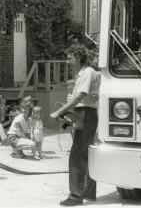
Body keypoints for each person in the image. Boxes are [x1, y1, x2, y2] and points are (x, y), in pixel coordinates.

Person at [50, 44, 100, 206]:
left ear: (79, 57)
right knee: (86, 155)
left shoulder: (87, 73)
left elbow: (79, 97)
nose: (68, 61)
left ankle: (75, 196)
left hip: (85, 114)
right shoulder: (82, 74)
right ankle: (89, 192)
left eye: (70, 57)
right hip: (84, 114)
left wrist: (58, 112)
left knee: (76, 156)